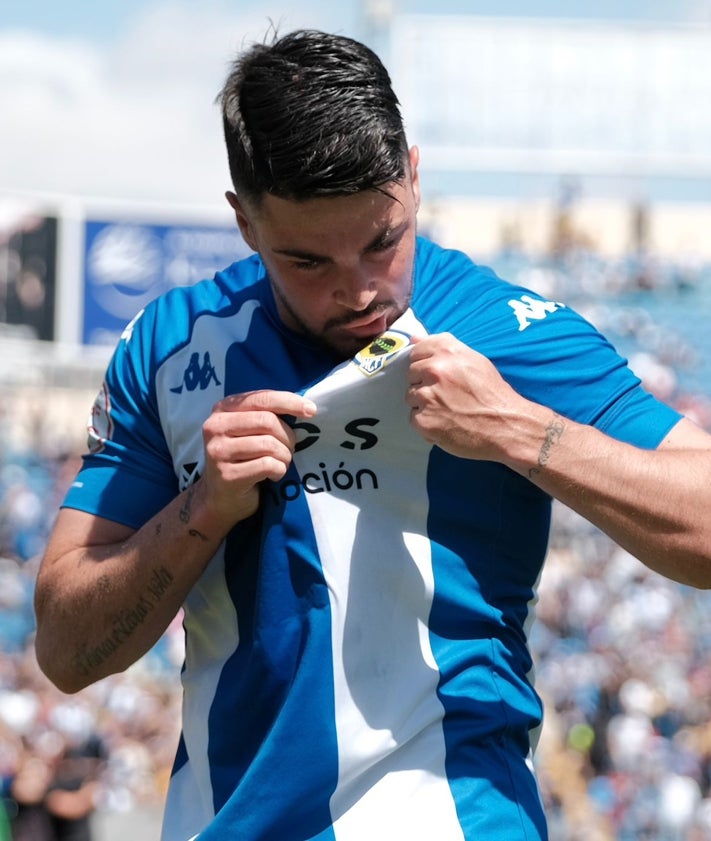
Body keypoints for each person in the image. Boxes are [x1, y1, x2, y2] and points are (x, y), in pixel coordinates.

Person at [33, 28, 711, 841]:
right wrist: (202, 509)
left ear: (413, 179)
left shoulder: (504, 331)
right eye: (309, 262)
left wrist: (516, 428)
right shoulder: (171, 343)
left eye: (381, 242)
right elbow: (68, 652)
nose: (358, 290)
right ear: (243, 222)